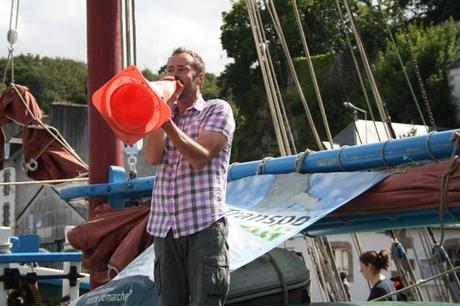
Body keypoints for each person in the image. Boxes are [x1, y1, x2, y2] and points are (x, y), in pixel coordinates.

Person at [143, 47, 236, 306]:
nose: (174, 75)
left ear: (199, 78)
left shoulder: (216, 110)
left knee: (207, 300)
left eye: (182, 69)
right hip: (165, 226)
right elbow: (151, 157)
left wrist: (166, 123)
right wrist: (161, 115)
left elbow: (200, 156)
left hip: (203, 224)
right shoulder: (164, 115)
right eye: (170, 69)